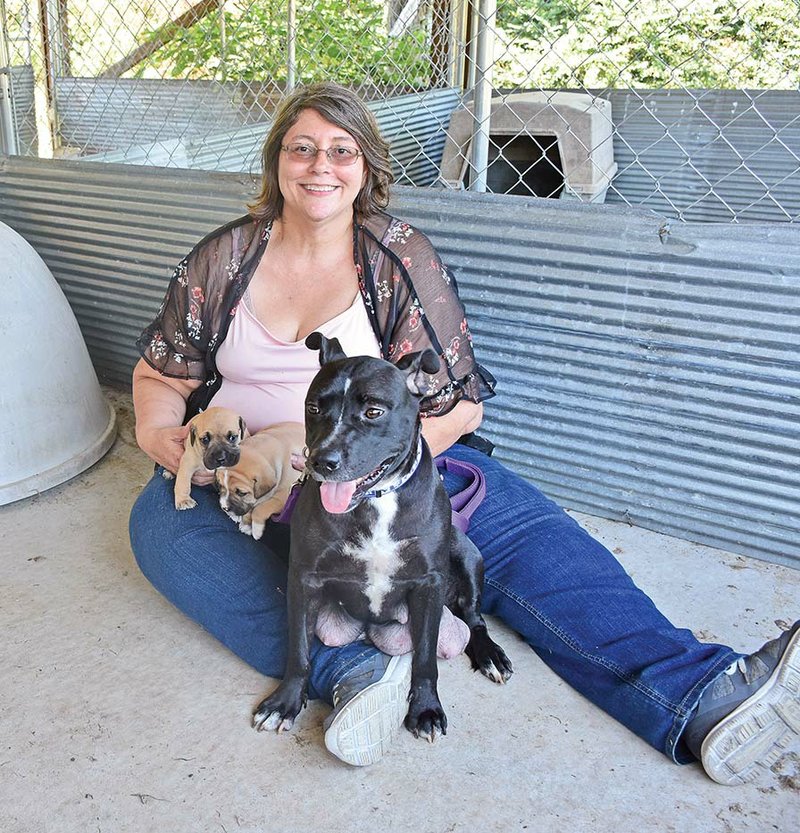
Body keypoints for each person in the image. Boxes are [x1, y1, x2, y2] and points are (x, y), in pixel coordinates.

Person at [129, 82, 799, 782]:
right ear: (276, 163)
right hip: (254, 473)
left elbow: (459, 410)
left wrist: (376, 482)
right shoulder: (224, 258)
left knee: (519, 538)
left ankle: (697, 693)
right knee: (164, 529)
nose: (319, 165)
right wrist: (157, 432)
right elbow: (161, 376)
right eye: (301, 148)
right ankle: (352, 672)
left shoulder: (398, 259)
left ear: (366, 167)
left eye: (341, 150)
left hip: (397, 468)